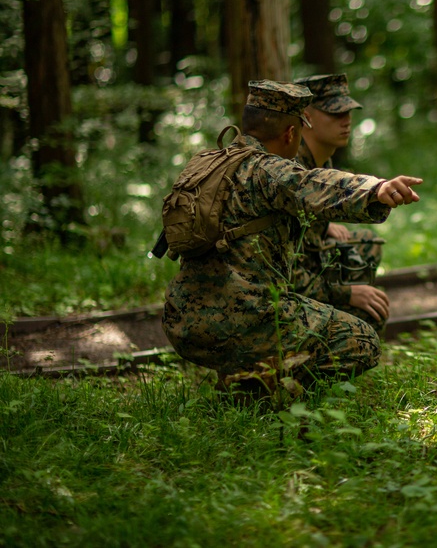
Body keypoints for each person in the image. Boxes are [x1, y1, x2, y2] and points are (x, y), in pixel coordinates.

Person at [161, 79, 422, 392]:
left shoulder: (210, 163)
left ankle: (247, 377)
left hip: (183, 320)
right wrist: (375, 189)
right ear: (291, 134)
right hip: (242, 320)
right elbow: (313, 184)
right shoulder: (268, 170)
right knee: (362, 341)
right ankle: (255, 391)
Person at [293, 74, 390, 332]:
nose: (346, 121)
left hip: (303, 268)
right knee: (365, 317)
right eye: (335, 113)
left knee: (365, 245)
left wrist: (323, 227)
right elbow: (284, 273)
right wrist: (344, 294)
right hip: (278, 291)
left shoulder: (319, 158)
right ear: (307, 117)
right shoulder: (290, 170)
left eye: (347, 112)